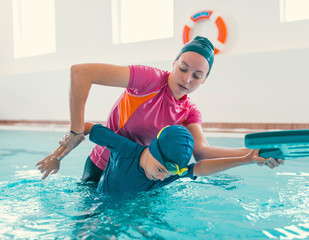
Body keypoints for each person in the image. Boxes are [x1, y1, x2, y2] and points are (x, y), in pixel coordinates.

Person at [36, 36, 281, 182]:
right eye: (183, 68)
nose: (187, 79)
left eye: (197, 75)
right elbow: (81, 72)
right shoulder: (149, 80)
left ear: (205, 79)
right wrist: (71, 138)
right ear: (173, 63)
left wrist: (253, 153)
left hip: (141, 176)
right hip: (101, 167)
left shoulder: (189, 112)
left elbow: (202, 154)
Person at [80, 123, 283, 197]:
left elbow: (201, 168)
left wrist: (247, 159)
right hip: (99, 205)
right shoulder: (125, 149)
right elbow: (90, 128)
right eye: (160, 170)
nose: (161, 179)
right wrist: (62, 150)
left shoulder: (170, 174)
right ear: (152, 149)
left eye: (168, 174)